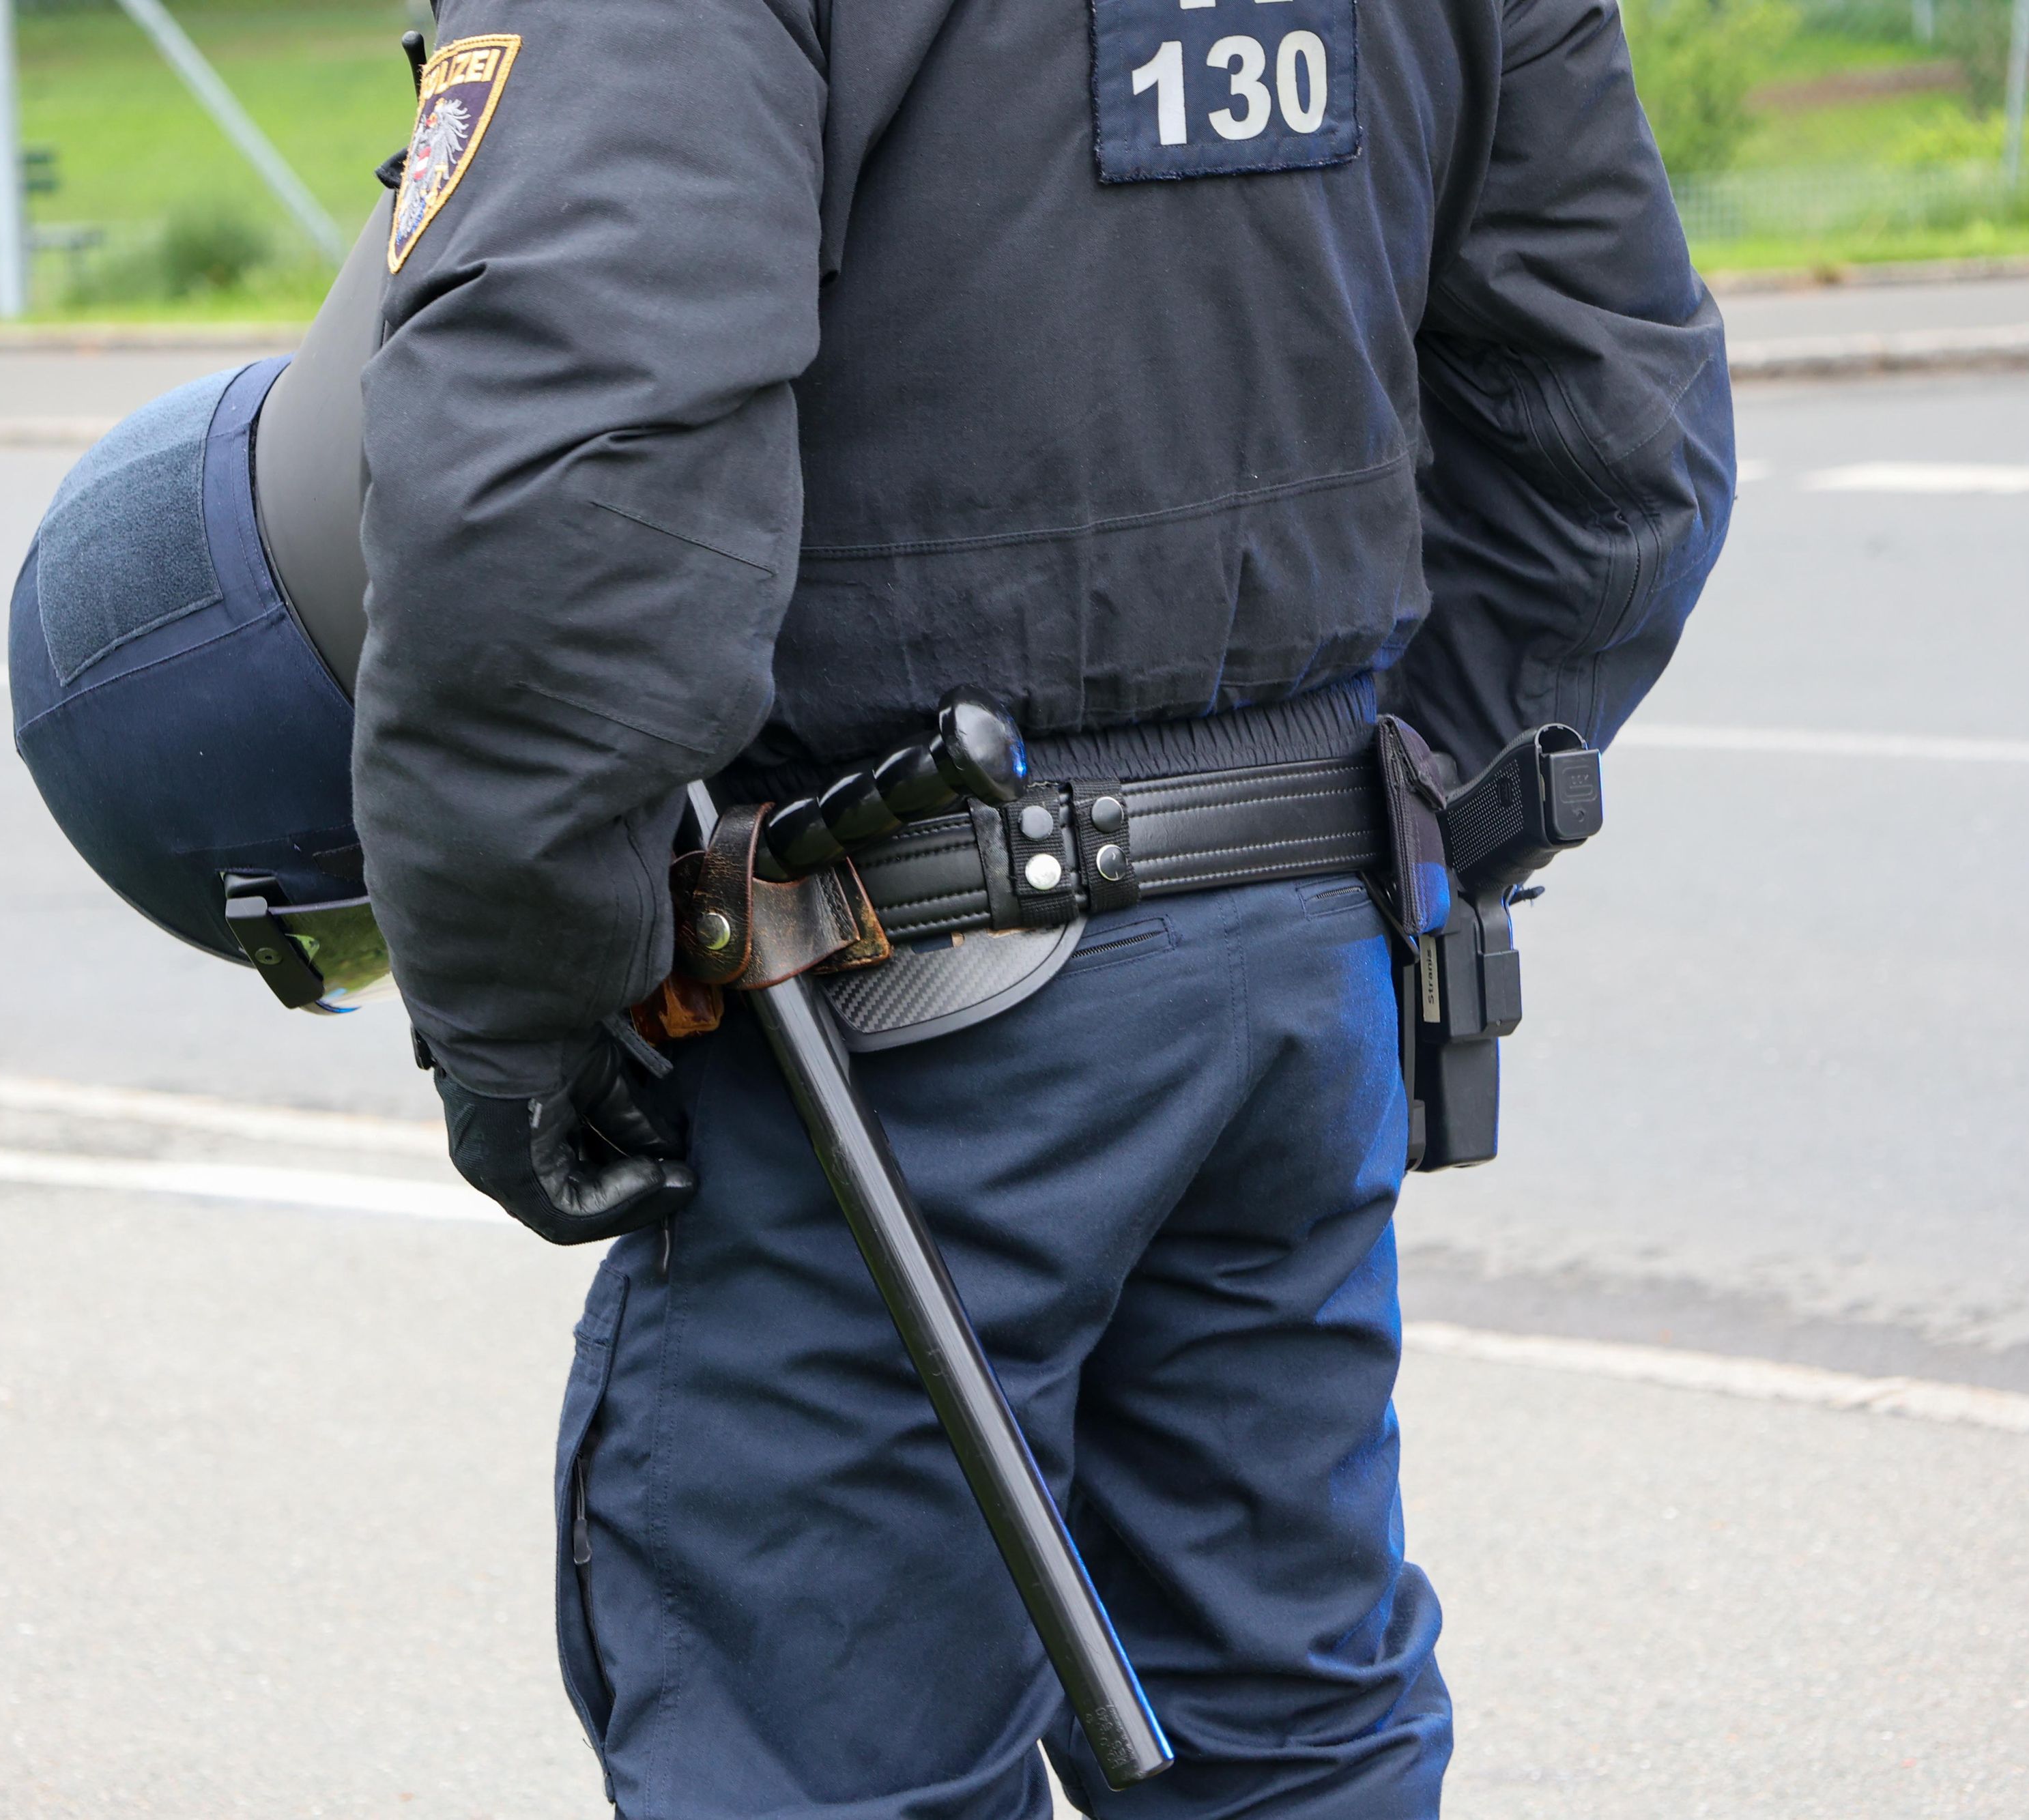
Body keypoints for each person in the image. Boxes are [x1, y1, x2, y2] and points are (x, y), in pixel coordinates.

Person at [356, 0, 1733, 1809]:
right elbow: (1614, 448)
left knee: (830, 1756)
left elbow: (550, 513)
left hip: (895, 1018)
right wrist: (1354, 829)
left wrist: (532, 1023)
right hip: (1295, 972)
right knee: (1291, 1744)